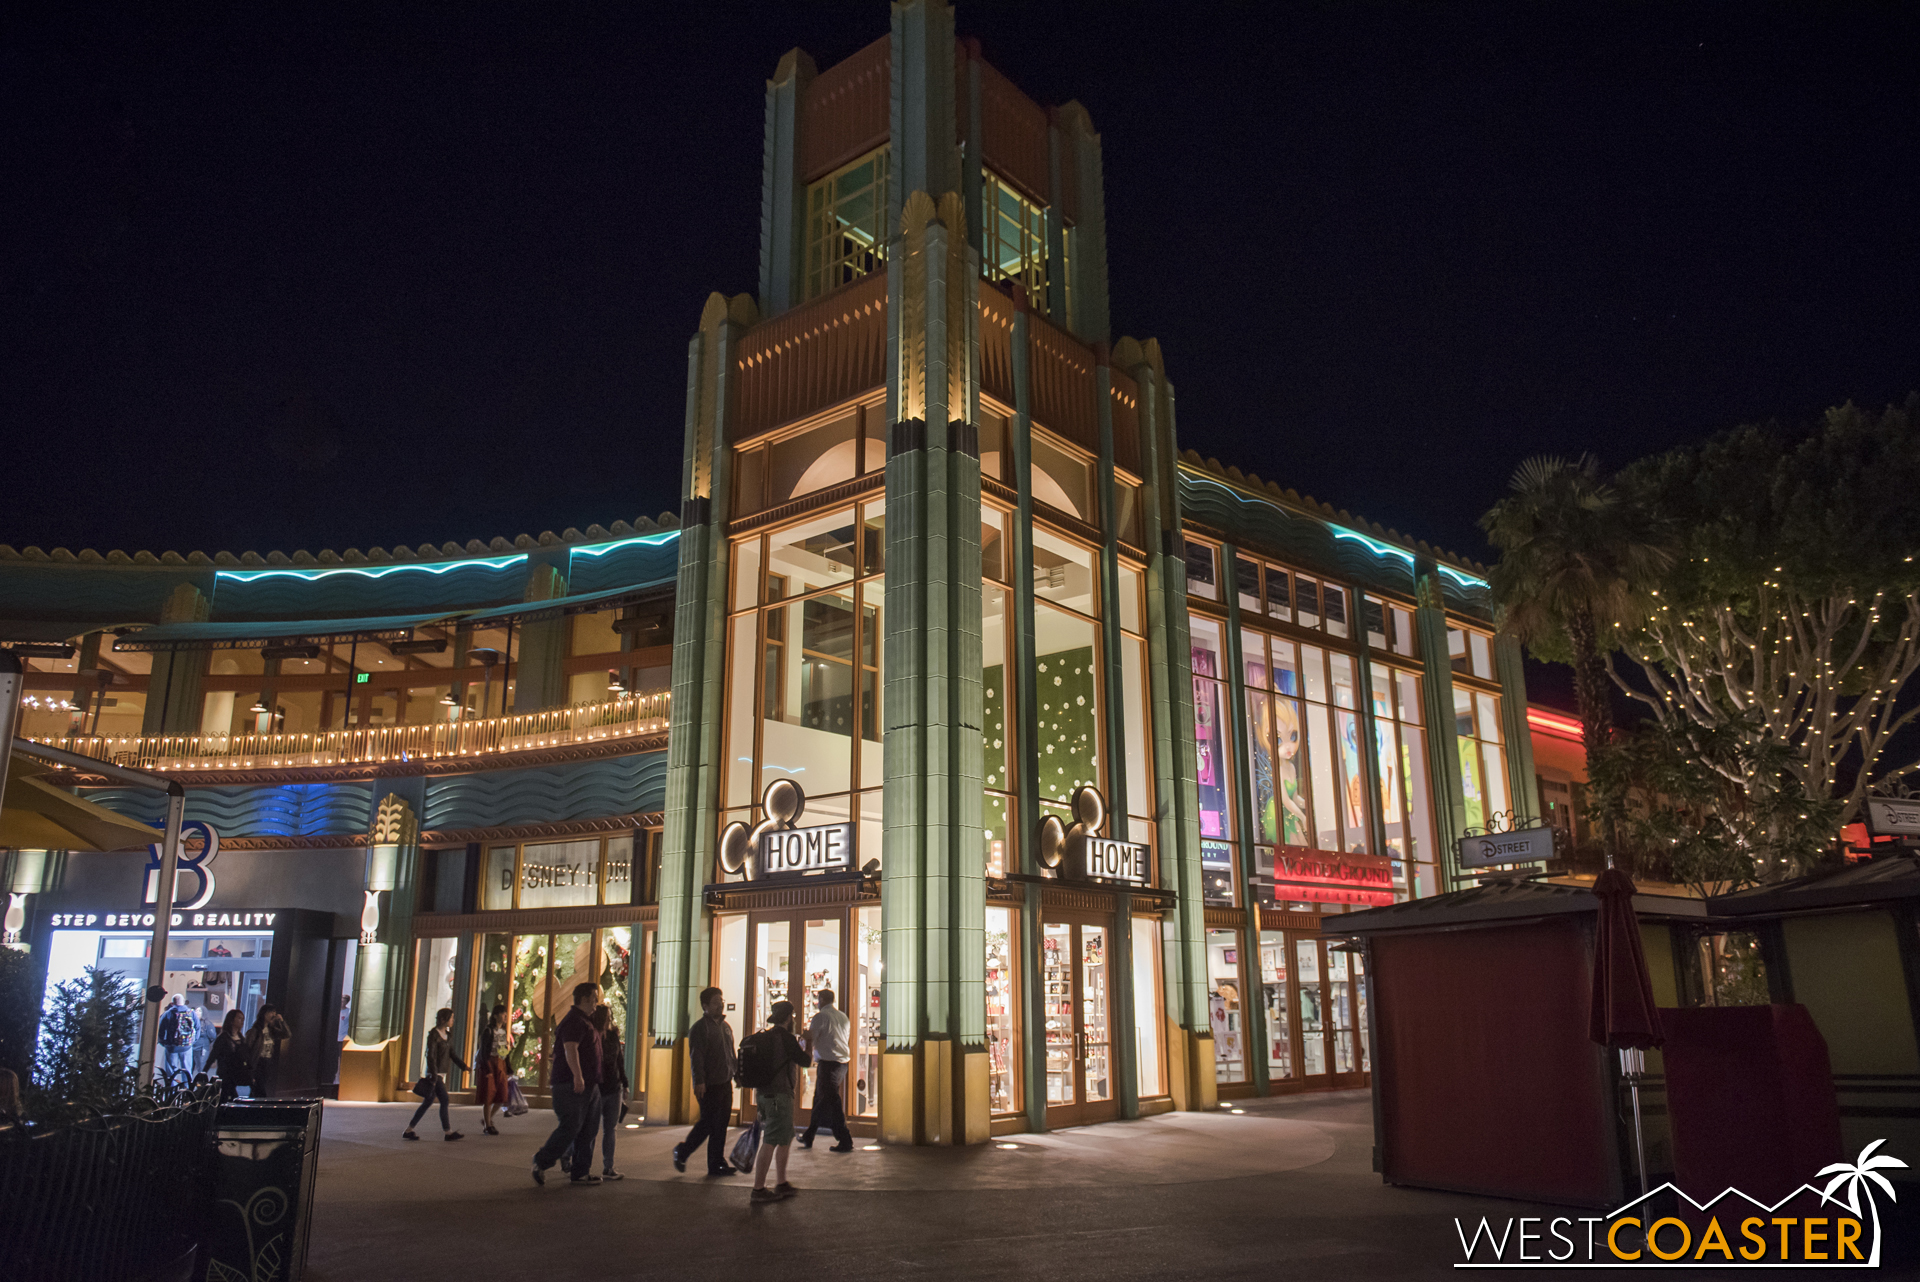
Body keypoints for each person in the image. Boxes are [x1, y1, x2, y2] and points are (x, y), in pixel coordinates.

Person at [531, 982, 603, 1185]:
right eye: (594, 998)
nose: (596, 1003)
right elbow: (570, 1048)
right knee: (571, 1127)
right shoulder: (574, 1021)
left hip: (590, 1085)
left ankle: (580, 1172)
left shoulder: (585, 1021)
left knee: (588, 1129)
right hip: (572, 1085)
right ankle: (541, 1161)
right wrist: (577, 1076)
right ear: (584, 999)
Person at [671, 987, 737, 1178]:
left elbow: (730, 1053)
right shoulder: (700, 1029)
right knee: (708, 1123)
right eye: (716, 1002)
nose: (721, 1004)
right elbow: (696, 1057)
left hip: (725, 1083)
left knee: (721, 1123)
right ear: (705, 1006)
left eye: (721, 1000)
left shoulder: (726, 1027)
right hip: (709, 1085)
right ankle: (682, 1151)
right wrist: (699, 1080)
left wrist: (736, 1073)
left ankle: (716, 1163)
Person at [748, 1000, 806, 1204]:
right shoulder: (787, 1039)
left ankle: (781, 1182)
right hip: (779, 1096)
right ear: (789, 1018)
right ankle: (758, 1189)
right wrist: (808, 1040)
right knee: (771, 1140)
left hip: (764, 1095)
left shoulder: (766, 1037)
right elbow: (805, 1061)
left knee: (784, 1137)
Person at [798, 988, 853, 1152]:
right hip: (842, 1063)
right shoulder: (843, 1017)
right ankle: (809, 1135)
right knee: (820, 1099)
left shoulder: (820, 1017)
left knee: (832, 1101)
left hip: (828, 1064)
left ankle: (845, 1139)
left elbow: (811, 1039)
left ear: (821, 1000)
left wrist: (801, 1043)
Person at [403, 1007, 469, 1141]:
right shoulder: (434, 1035)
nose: (453, 1021)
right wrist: (433, 1074)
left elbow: (452, 1054)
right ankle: (448, 1132)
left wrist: (463, 1066)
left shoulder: (448, 1036)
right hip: (435, 1073)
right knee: (444, 1099)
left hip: (440, 1073)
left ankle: (409, 1129)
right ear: (444, 1019)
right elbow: (431, 1056)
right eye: (451, 1018)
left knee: (428, 1102)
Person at [594, 1004, 629, 1180]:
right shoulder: (594, 1036)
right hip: (597, 1088)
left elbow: (619, 1061)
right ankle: (574, 1161)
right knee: (589, 1128)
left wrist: (625, 1083)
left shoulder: (613, 1037)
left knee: (611, 1129)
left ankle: (608, 1167)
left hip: (614, 1088)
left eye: (610, 1015)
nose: (609, 1018)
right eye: (606, 1016)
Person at [474, 1003, 511, 1135]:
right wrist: (487, 1069)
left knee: (501, 1095)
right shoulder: (488, 1031)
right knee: (489, 1095)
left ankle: (488, 1119)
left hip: (500, 1063)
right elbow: (484, 1051)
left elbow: (503, 1051)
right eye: (503, 1014)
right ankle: (487, 1125)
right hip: (489, 1064)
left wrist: (508, 1066)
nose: (506, 1016)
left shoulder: (503, 1031)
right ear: (496, 1016)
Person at [245, 1005, 292, 1098]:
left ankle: (253, 1106)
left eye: (274, 1012)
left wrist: (281, 1021)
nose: (274, 1015)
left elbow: (286, 1034)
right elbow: (248, 1048)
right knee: (260, 1089)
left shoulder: (271, 1030)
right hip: (258, 1063)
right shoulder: (255, 1031)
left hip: (267, 1063)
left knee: (258, 1089)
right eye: (271, 1012)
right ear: (264, 1014)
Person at [209, 1009, 250, 1101]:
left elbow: (246, 1056)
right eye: (239, 1018)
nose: (242, 1021)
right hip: (225, 1074)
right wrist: (204, 1072)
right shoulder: (223, 1038)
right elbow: (213, 1056)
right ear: (231, 1020)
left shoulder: (241, 1038)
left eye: (243, 1019)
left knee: (229, 1096)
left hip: (236, 1074)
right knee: (227, 1096)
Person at [157, 995, 198, 1082]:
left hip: (172, 1046)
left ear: (172, 1003)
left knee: (171, 1071)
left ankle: (172, 1091)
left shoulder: (168, 1013)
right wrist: (193, 1041)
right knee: (186, 1070)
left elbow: (161, 1029)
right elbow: (197, 1027)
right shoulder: (191, 1013)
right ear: (184, 1001)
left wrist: (163, 1042)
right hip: (187, 1046)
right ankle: (186, 1090)